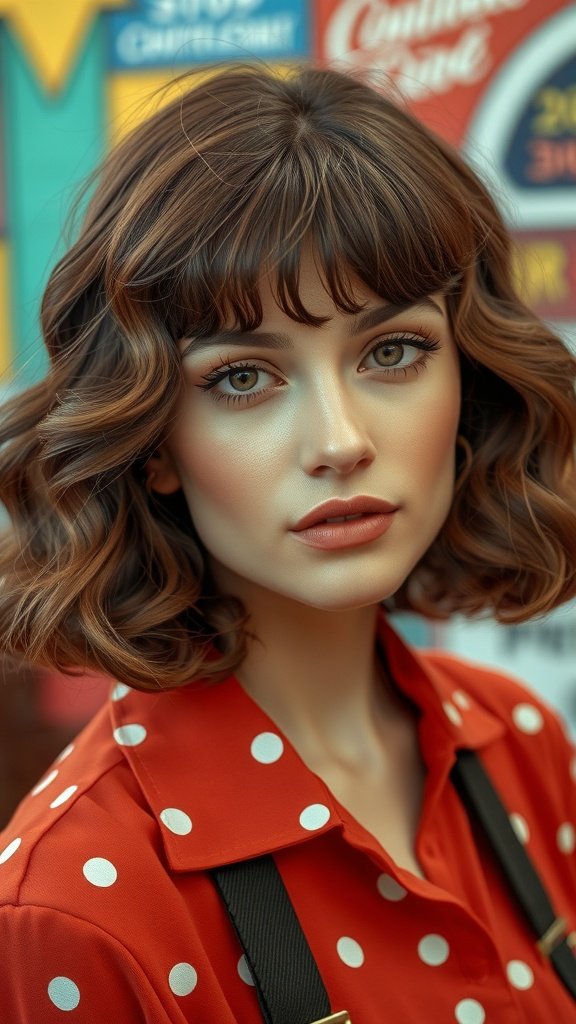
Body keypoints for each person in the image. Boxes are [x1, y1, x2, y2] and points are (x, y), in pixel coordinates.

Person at [0, 62, 575, 1024]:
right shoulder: (73, 905)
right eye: (242, 378)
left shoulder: (520, 742)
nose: (341, 441)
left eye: (392, 351)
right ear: (154, 446)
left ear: (467, 378)